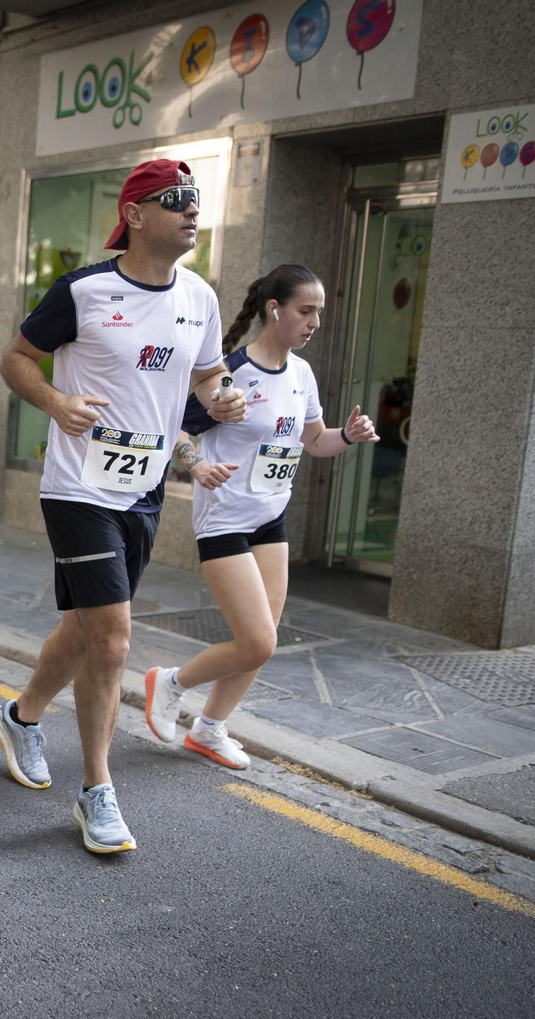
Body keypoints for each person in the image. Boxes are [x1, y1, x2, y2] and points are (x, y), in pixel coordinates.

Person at [0, 159, 245, 855]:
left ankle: (20, 716)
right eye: (176, 200)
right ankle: (97, 791)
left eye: (197, 201)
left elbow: (210, 376)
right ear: (133, 214)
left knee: (85, 629)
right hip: (77, 487)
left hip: (145, 488)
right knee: (115, 641)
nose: (193, 211)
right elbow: (15, 358)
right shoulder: (85, 291)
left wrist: (223, 398)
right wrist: (56, 401)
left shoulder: (200, 296)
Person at [143, 265, 378, 767]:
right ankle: (170, 682)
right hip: (225, 519)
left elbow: (314, 441)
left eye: (319, 312)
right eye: (306, 310)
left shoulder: (302, 374)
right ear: (275, 310)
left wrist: (350, 436)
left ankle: (210, 728)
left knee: (261, 639)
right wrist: (198, 465)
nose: (315, 321)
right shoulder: (231, 374)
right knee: (259, 642)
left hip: (271, 519)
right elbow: (176, 433)